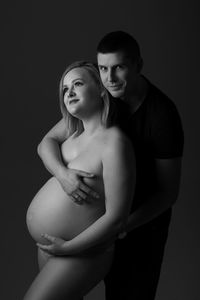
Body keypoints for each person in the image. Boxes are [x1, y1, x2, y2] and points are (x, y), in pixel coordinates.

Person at [37, 31, 184, 299]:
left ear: (138, 65)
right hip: (94, 225)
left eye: (119, 68)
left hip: (138, 232)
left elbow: (168, 192)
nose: (110, 77)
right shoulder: (105, 97)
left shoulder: (161, 116)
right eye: (103, 68)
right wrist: (63, 175)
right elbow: (48, 141)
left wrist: (118, 226)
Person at [24, 61, 135, 300]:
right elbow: (44, 145)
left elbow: (117, 219)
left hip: (83, 251)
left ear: (101, 91)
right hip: (52, 246)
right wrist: (63, 176)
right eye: (65, 89)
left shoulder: (114, 143)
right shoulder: (73, 130)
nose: (69, 92)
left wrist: (67, 248)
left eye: (77, 84)